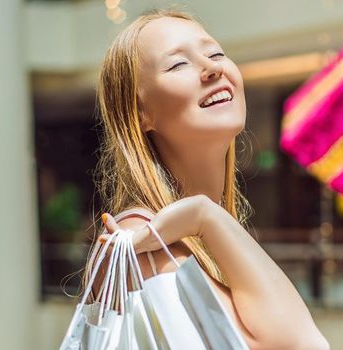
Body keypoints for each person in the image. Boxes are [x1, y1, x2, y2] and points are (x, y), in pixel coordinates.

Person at [88, 8, 328, 350]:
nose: (214, 67)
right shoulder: (139, 241)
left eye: (215, 53)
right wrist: (206, 216)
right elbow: (302, 345)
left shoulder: (188, 234)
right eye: (177, 64)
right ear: (139, 113)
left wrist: (207, 218)